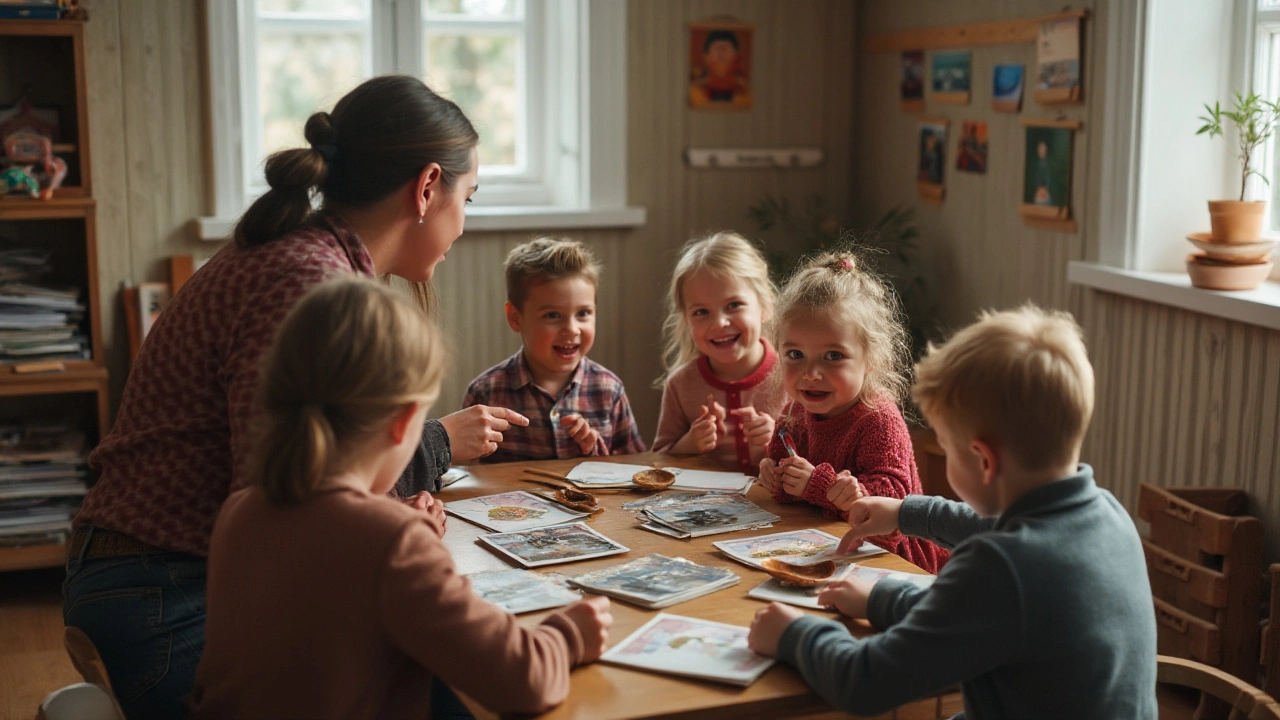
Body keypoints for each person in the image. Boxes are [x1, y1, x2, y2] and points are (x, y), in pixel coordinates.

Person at [64, 75, 529, 720]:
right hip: (164, 598)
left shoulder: (313, 259)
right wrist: (392, 516)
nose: (464, 221)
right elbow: (289, 507)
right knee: (450, 684)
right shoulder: (310, 283)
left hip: (166, 580)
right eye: (468, 197)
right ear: (427, 188)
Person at [190, 278, 613, 719]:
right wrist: (568, 635)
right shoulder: (391, 541)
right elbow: (525, 682)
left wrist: (404, 534)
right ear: (405, 422)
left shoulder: (241, 509)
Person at [748, 305, 1157, 719]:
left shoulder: (1001, 567)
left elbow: (865, 682)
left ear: (983, 460)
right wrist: (891, 567)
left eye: (944, 447)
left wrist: (794, 633)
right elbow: (983, 609)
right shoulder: (1108, 516)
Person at [756, 251, 948, 574]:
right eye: (796, 354)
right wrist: (774, 475)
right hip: (827, 550)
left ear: (871, 359)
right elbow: (786, 474)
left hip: (896, 566)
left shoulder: (878, 419)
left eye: (833, 355)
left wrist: (816, 483)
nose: (811, 373)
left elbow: (892, 508)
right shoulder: (794, 412)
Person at [463, 237, 644, 462]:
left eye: (583, 313)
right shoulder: (486, 393)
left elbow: (635, 468)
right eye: (552, 315)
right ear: (515, 318)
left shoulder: (610, 390)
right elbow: (465, 475)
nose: (571, 329)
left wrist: (595, 452)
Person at [652, 232, 784, 473]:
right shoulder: (681, 384)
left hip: (780, 505)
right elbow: (660, 456)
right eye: (702, 312)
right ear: (686, 321)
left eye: (733, 305)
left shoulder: (791, 375)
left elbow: (821, 450)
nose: (720, 323)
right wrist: (690, 443)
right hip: (704, 506)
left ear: (764, 306)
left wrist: (778, 438)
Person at [689, 29, 751, 108]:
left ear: (736, 55)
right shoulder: (696, 90)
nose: (722, 52)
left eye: (726, 48)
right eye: (717, 48)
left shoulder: (744, 91)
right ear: (706, 57)